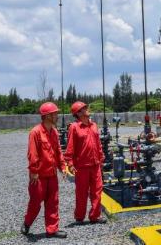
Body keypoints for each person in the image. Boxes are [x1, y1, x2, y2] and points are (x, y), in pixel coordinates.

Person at [21, 102, 68, 238]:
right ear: (47, 116)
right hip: (39, 176)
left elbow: (58, 151)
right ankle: (27, 223)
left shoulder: (54, 132)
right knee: (35, 202)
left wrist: (62, 167)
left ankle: (52, 230)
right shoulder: (35, 132)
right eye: (55, 113)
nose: (57, 115)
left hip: (52, 175)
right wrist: (34, 171)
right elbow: (32, 153)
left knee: (53, 202)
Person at [64, 101, 107, 224]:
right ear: (78, 113)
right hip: (81, 167)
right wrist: (70, 164)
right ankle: (79, 217)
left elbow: (98, 144)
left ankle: (95, 216)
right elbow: (70, 147)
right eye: (84, 108)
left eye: (86, 107)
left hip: (95, 165)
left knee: (97, 191)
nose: (87, 109)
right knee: (81, 193)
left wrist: (101, 159)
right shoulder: (74, 127)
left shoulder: (94, 125)